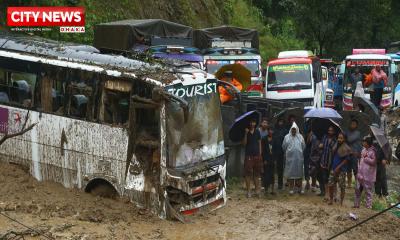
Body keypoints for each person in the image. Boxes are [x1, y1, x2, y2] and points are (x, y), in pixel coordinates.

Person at [282, 122, 306, 195]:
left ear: (297, 130)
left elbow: (303, 146)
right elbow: (284, 147)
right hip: (290, 159)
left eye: (295, 129)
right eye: (292, 129)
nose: (293, 131)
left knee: (299, 174)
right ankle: (291, 189)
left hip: (299, 159)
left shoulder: (300, 137)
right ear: (290, 129)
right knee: (290, 174)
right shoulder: (287, 137)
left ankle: (299, 188)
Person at [328, 132, 351, 205]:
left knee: (342, 186)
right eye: (338, 138)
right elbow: (332, 154)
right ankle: (331, 200)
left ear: (344, 139)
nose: (339, 139)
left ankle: (341, 202)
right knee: (331, 184)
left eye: (341, 138)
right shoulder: (336, 145)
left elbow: (346, 160)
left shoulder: (346, 147)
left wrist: (338, 167)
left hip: (341, 170)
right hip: (333, 168)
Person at [354, 137, 377, 209]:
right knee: (358, 189)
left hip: (368, 175)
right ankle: (356, 204)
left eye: (364, 142)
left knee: (368, 191)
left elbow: (374, 162)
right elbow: (361, 158)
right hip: (360, 173)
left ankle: (368, 206)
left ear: (368, 143)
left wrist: (366, 158)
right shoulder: (363, 150)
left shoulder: (373, 152)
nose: (363, 143)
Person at [243, 119, 262, 198]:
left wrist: (260, 154)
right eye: (251, 122)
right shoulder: (246, 132)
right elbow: (244, 144)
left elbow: (259, 143)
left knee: (256, 174)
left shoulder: (257, 131)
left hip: (256, 155)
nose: (252, 124)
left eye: (254, 122)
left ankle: (257, 190)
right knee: (248, 174)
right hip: (249, 156)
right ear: (249, 123)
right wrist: (246, 133)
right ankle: (248, 191)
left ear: (255, 123)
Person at [319, 126, 337, 199]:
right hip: (324, 160)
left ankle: (334, 194)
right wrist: (320, 145)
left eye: (331, 130)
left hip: (332, 162)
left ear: (334, 131)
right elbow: (320, 145)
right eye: (329, 130)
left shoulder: (336, 139)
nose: (330, 132)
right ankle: (326, 193)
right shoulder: (324, 137)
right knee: (325, 178)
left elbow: (336, 150)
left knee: (332, 178)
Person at [346, 119, 362, 188]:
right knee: (348, 169)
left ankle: (356, 183)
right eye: (351, 123)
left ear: (356, 125)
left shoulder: (357, 133)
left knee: (355, 169)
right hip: (347, 153)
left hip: (355, 153)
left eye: (354, 124)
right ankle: (349, 183)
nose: (352, 125)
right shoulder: (347, 132)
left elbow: (349, 139)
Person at [272, 118, 287, 190]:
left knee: (280, 169)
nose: (280, 123)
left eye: (281, 121)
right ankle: (271, 183)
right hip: (274, 151)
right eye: (279, 121)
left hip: (282, 152)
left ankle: (280, 184)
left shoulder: (285, 131)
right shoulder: (275, 130)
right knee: (273, 168)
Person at [262, 128, 275, 195]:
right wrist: (264, 159)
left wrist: (275, 159)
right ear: (267, 131)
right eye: (269, 130)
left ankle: (272, 190)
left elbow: (276, 149)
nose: (270, 131)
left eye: (271, 130)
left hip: (272, 159)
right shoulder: (264, 139)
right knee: (266, 174)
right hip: (266, 159)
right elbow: (263, 150)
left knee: (272, 174)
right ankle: (266, 190)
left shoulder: (274, 139)